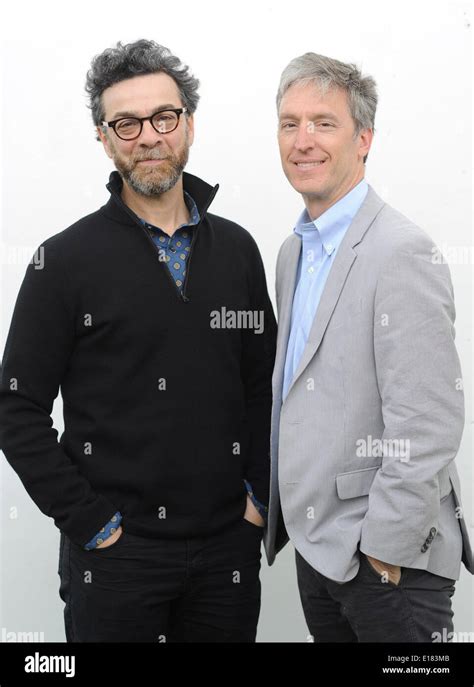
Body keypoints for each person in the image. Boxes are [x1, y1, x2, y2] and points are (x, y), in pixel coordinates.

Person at [0, 39, 276, 642]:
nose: (147, 136)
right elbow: (15, 407)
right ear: (103, 137)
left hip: (227, 551)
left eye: (163, 117)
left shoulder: (237, 251)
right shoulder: (63, 262)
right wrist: (92, 524)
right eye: (125, 123)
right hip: (116, 562)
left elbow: (265, 384)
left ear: (189, 125)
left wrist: (257, 499)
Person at [264, 52, 473, 642]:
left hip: (387, 565)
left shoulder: (401, 250)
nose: (303, 141)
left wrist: (383, 550)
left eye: (323, 123)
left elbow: (428, 421)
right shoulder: (292, 252)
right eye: (289, 123)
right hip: (319, 552)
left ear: (364, 139)